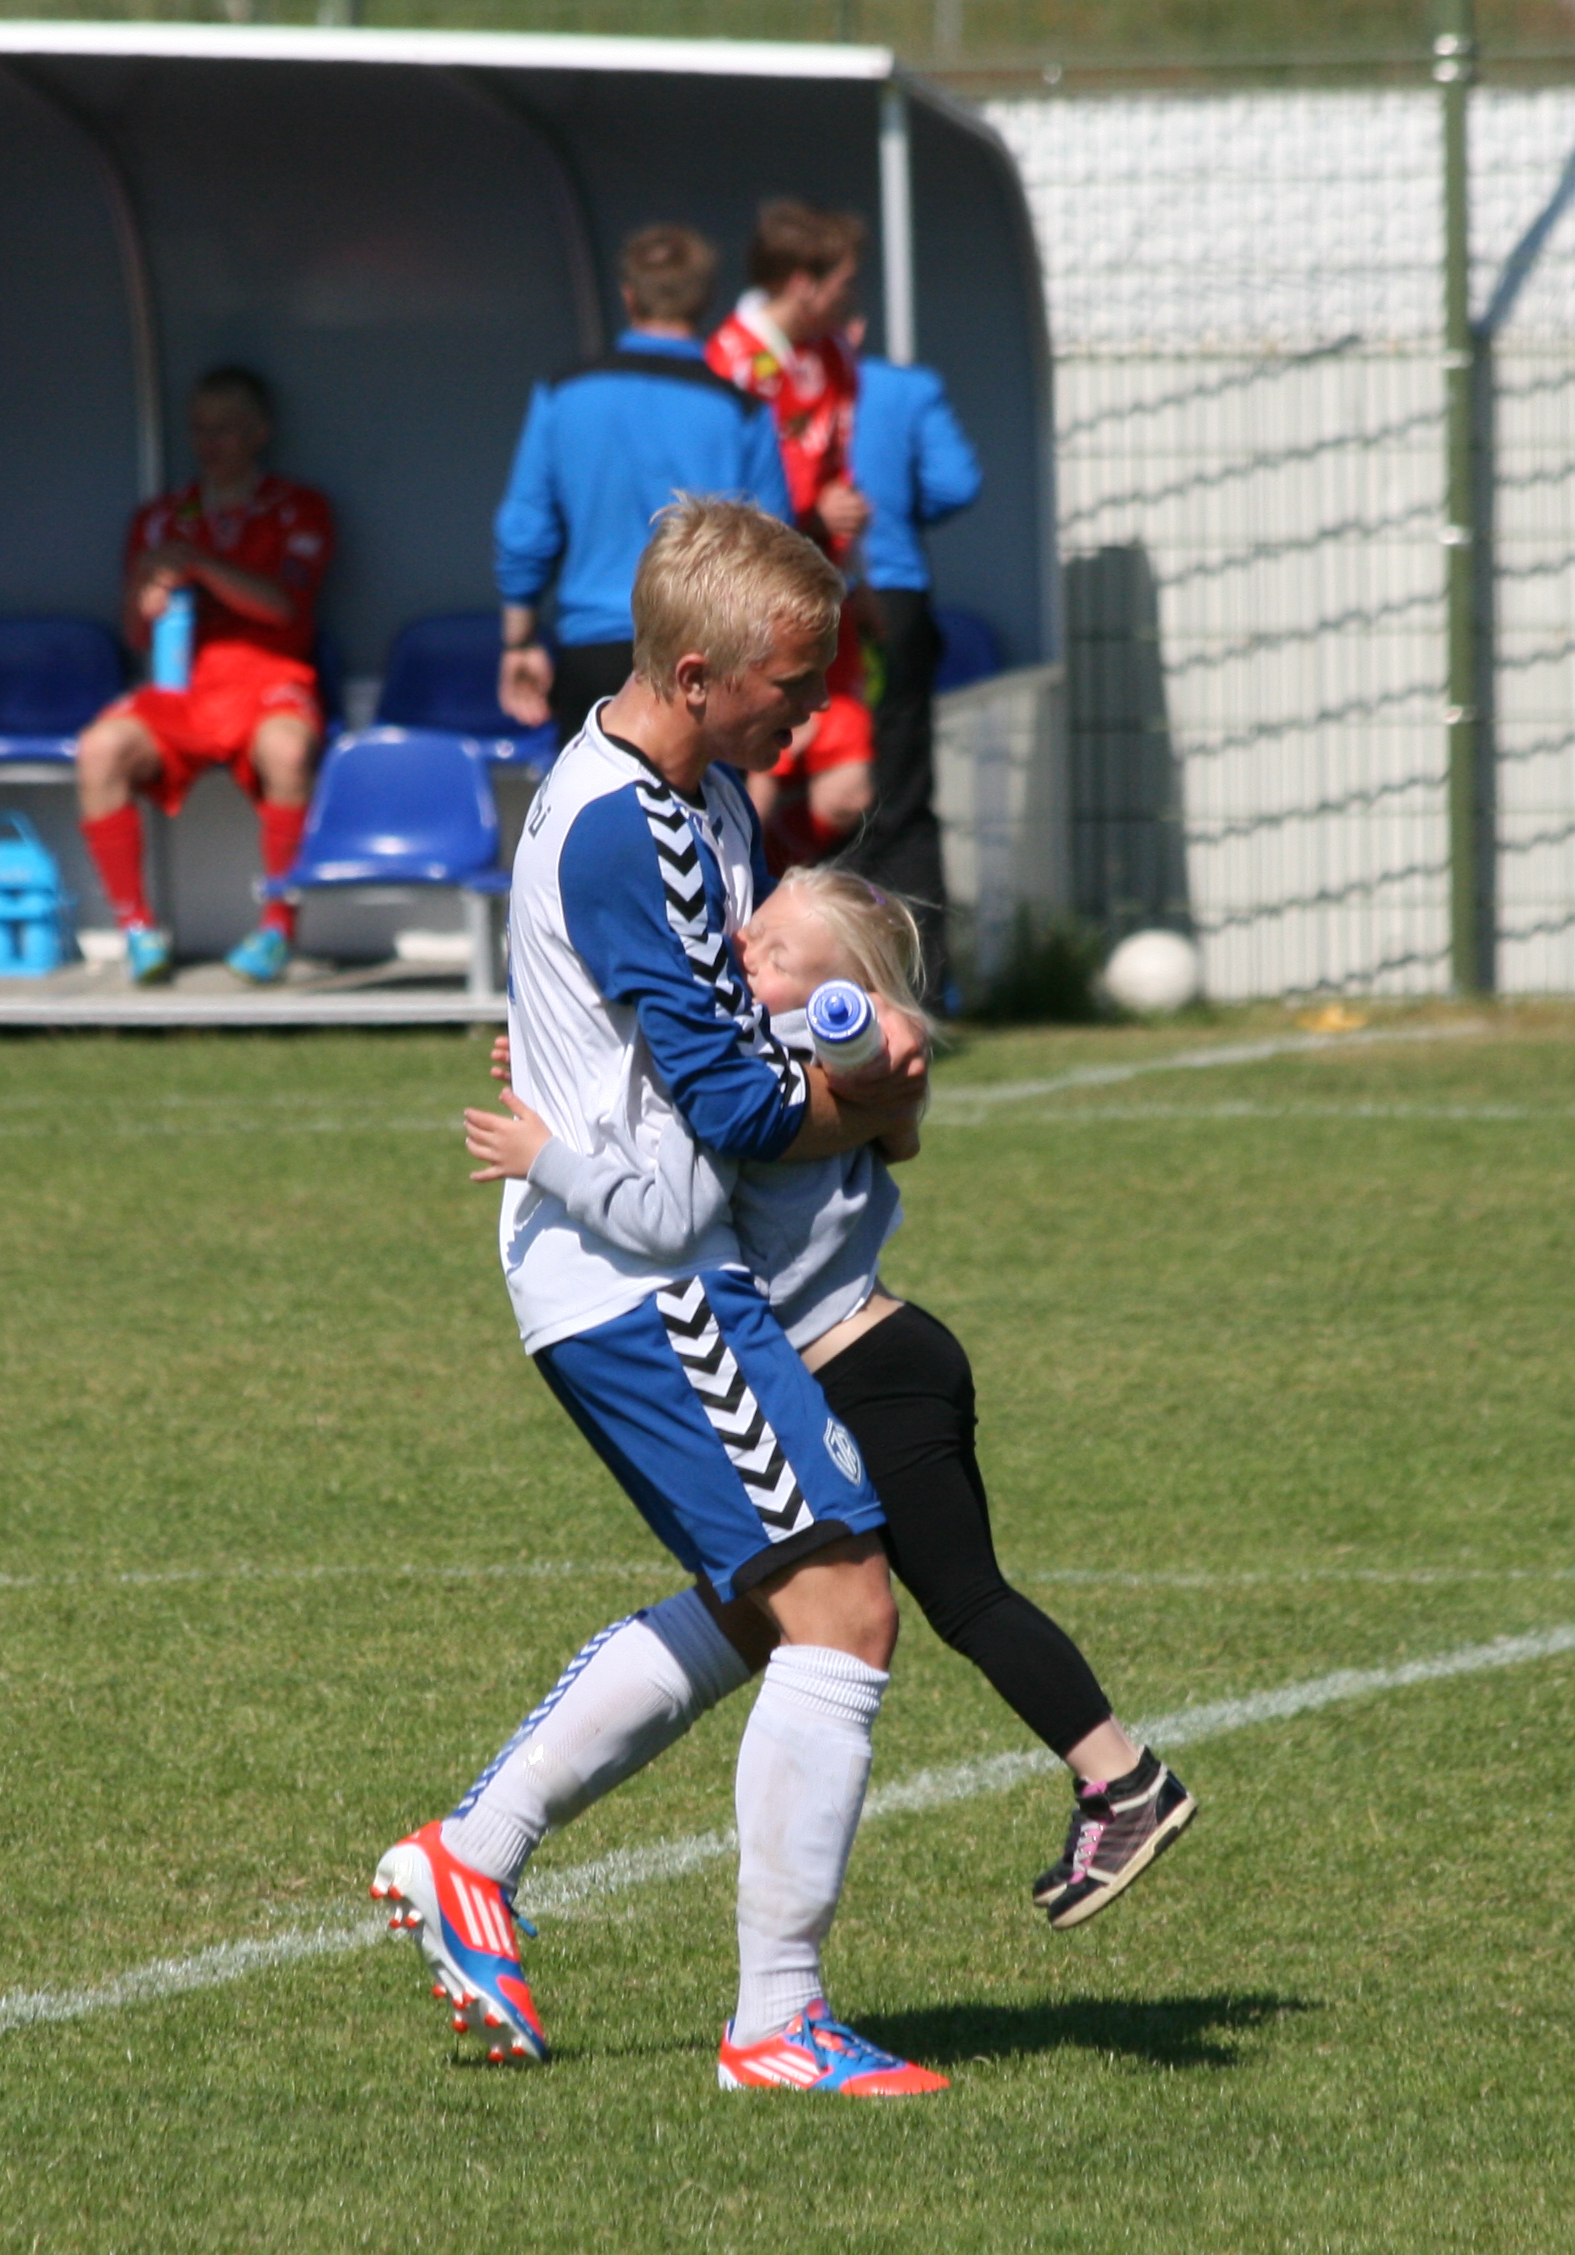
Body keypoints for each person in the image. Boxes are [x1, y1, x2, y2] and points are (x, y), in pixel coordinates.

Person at [372, 498, 946, 2097]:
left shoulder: (693, 796)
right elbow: (741, 1106)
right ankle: (776, 2023)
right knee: (844, 1604)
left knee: (768, 1604)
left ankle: (473, 1853)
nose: (811, 712)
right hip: (641, 1278)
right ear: (696, 676)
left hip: (657, 1261)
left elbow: (706, 1048)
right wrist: (872, 1100)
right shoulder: (635, 827)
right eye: (790, 684)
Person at [461, 866, 1196, 1931]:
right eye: (751, 933)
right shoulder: (782, 1048)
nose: (743, 952)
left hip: (867, 1371)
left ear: (834, 993)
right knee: (761, 1607)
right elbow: (880, 1102)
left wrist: (546, 1160)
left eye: (775, 955)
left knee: (960, 1600)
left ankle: (1123, 1782)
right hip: (866, 1362)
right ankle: (495, 1836)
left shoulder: (778, 1056)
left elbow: (670, 1211)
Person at [73, 366, 332, 988]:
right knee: (98, 750)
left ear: (260, 432)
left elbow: (284, 606)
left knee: (288, 750)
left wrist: (202, 567)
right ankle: (137, 931)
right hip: (183, 690)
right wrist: (148, 595)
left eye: (226, 428)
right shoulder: (161, 519)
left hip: (270, 679)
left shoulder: (300, 509)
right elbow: (136, 635)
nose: (209, 443)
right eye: (199, 429)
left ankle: (277, 927)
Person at [491, 225, 789, 746]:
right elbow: (773, 544)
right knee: (704, 800)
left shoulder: (563, 393)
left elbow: (525, 526)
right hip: (705, 652)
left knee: (599, 792)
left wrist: (520, 640)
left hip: (593, 645)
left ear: (628, 296)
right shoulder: (740, 409)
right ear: (706, 300)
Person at [707, 203, 877, 870]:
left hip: (823, 593)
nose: (852, 298)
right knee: (754, 775)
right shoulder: (733, 361)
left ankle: (778, 889)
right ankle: (745, 899)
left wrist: (857, 572)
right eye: (844, 282)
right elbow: (728, 504)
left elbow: (839, 468)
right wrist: (810, 514)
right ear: (804, 284)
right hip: (756, 602)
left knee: (848, 791)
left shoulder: (834, 353)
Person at [844, 353, 984, 1007]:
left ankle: (816, 984)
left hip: (801, 598)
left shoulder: (761, 379)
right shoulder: (902, 388)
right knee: (902, 803)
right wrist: (895, 506)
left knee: (814, 803)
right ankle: (919, 989)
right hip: (892, 597)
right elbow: (956, 483)